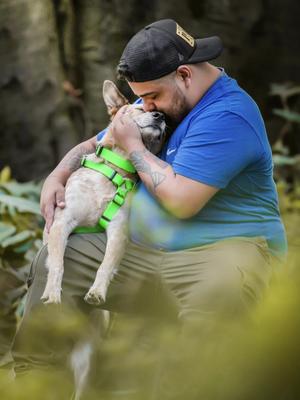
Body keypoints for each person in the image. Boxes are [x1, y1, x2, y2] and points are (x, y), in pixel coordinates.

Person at [10, 18, 287, 386]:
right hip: (149, 249)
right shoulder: (169, 102)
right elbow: (98, 142)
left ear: (184, 75)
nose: (146, 105)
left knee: (221, 290)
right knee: (63, 256)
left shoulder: (229, 116)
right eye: (141, 98)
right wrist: (58, 175)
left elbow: (181, 201)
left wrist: (135, 146)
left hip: (222, 249)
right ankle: (37, 386)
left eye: (152, 96)